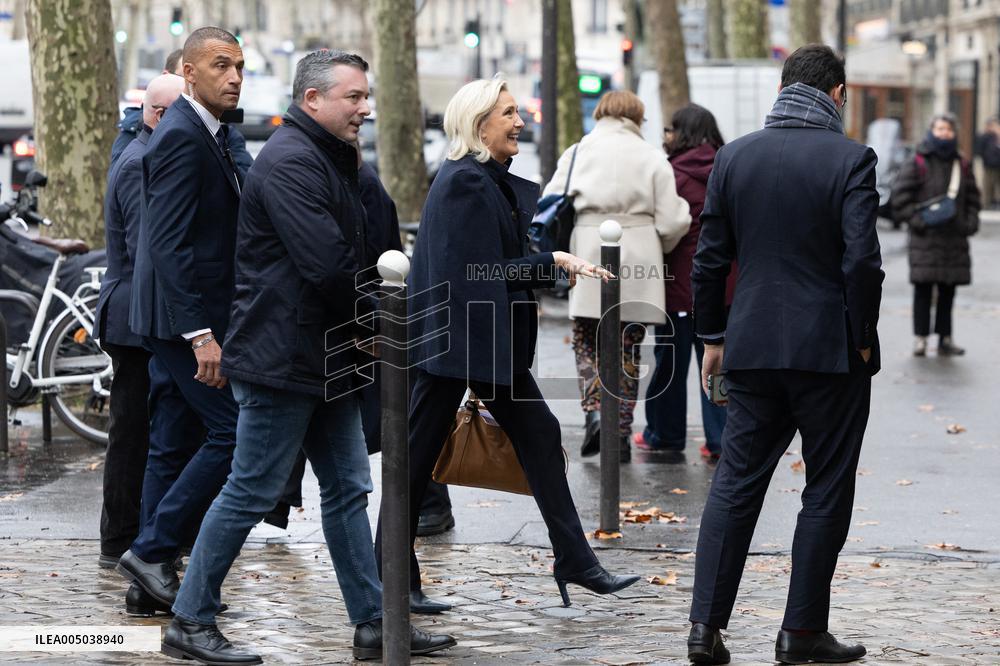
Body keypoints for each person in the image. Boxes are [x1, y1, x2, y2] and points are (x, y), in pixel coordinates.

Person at [163, 50, 455, 664]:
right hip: (284, 359)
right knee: (250, 490)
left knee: (348, 489)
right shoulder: (293, 160)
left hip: (323, 356)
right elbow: (328, 265)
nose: (365, 108)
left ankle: (374, 621)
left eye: (366, 96)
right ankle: (190, 618)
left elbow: (354, 253)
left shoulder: (326, 155)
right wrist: (389, 319)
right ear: (313, 99)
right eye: (354, 97)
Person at [375, 77, 639, 613]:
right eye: (509, 113)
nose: (520, 122)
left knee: (532, 436)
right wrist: (553, 261)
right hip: (460, 343)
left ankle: (574, 559)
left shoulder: (481, 179)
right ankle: (392, 577)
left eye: (518, 112)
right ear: (479, 125)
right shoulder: (465, 182)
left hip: (476, 342)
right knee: (415, 458)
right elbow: (478, 272)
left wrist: (547, 262)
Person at [687, 44, 883, 665]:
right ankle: (800, 633)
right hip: (830, 351)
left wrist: (712, 338)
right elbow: (862, 262)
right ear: (839, 94)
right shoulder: (851, 159)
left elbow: (709, 260)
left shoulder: (734, 157)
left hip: (751, 346)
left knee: (735, 486)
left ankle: (704, 629)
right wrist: (863, 334)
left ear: (781, 89)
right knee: (826, 487)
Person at [117, 26, 245, 620]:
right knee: (231, 435)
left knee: (179, 442)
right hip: (178, 321)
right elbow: (166, 244)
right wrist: (201, 335)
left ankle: (150, 577)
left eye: (238, 66)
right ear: (188, 73)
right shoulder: (181, 135)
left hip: (181, 316)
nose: (234, 77)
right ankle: (150, 551)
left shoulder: (210, 131)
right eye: (220, 65)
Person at [542, 90, 690, 462]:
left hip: (588, 252)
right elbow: (674, 221)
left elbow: (551, 201)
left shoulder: (578, 152)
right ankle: (620, 433)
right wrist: (654, 243)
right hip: (639, 256)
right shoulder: (651, 157)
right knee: (628, 348)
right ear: (637, 117)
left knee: (586, 340)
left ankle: (595, 414)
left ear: (602, 113)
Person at [93, 74, 185, 582]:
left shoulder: (149, 155)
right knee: (132, 431)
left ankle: (136, 536)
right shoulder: (138, 162)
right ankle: (120, 539)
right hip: (133, 318)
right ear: (157, 114)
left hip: (138, 313)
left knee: (143, 428)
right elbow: (147, 248)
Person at [635, 104, 730, 462]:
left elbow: (662, 227)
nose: (667, 136)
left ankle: (665, 434)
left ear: (683, 133)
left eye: (671, 129)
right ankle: (721, 440)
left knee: (669, 366)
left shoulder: (670, 173)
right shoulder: (728, 167)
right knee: (717, 364)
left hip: (679, 285)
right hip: (724, 286)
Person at [891, 114, 981, 357]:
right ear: (931, 131)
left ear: (954, 133)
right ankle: (920, 338)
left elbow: (973, 199)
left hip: (954, 239)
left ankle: (945, 338)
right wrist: (918, 222)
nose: (944, 133)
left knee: (948, 290)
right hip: (925, 239)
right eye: (940, 128)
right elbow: (899, 199)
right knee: (922, 289)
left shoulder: (961, 164)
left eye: (948, 129)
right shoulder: (918, 161)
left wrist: (969, 224)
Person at [111, 49, 252, 173]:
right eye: (186, 78)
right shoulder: (134, 133)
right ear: (166, 76)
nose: (192, 90)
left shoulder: (223, 134)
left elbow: (244, 184)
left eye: (198, 81)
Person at [974, 116, 1000, 209]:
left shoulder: (997, 136)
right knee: (987, 184)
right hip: (989, 164)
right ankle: (986, 203)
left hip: (998, 163)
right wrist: (986, 158)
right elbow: (980, 150)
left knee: (997, 184)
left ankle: (996, 201)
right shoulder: (985, 136)